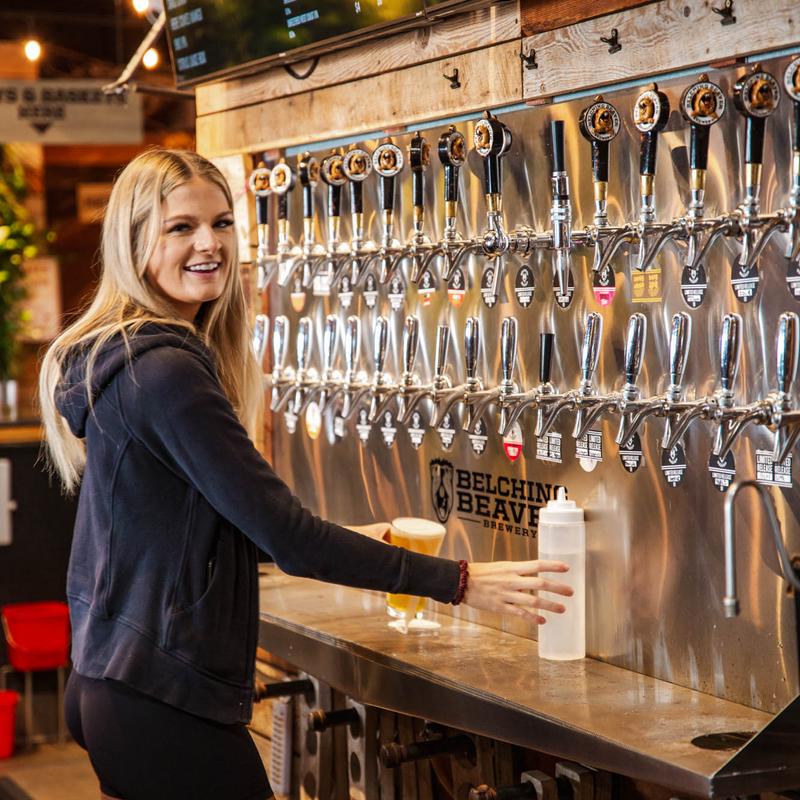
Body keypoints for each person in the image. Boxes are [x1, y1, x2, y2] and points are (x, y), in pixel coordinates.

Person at [39, 150, 573, 800]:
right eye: (181, 227)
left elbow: (200, 525)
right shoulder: (165, 371)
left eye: (222, 222)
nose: (209, 244)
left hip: (115, 678)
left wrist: (355, 536)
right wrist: (459, 582)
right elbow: (290, 539)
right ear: (133, 243)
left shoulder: (128, 357)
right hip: (160, 695)